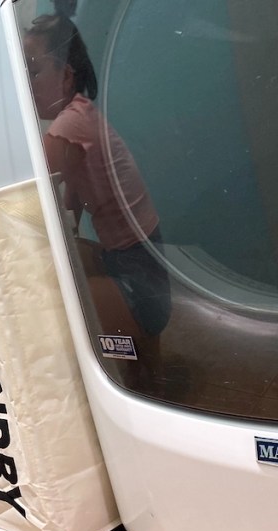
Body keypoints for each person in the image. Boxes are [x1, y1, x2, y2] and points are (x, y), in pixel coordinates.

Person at [23, 14, 172, 381]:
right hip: (141, 259)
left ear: (66, 76)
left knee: (51, 301)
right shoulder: (82, 118)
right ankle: (146, 369)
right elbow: (69, 200)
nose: (25, 83)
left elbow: (26, 188)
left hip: (139, 275)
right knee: (75, 258)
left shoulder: (70, 125)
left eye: (33, 71)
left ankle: (140, 365)